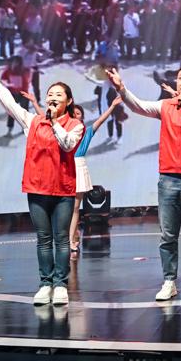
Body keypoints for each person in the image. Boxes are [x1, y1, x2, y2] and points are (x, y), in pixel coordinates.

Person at [106, 64, 181, 301]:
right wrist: (121, 89)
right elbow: (138, 106)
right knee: (168, 235)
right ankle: (169, 281)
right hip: (169, 178)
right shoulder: (165, 105)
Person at [0, 60, 84, 306]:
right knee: (43, 238)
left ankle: (60, 284)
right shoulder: (33, 121)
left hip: (62, 189)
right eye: (50, 94)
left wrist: (54, 121)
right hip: (37, 188)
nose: (53, 98)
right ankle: (45, 283)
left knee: (61, 238)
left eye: (58, 95)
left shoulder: (75, 125)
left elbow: (67, 145)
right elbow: (11, 105)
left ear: (69, 101)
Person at [68, 97, 123, 253]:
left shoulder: (87, 132)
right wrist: (36, 104)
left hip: (78, 166)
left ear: (82, 118)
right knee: (64, 207)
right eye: (73, 113)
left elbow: (101, 120)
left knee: (75, 207)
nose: (75, 115)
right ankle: (68, 236)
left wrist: (112, 106)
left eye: (78, 113)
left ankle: (72, 238)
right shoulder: (63, 132)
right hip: (64, 167)